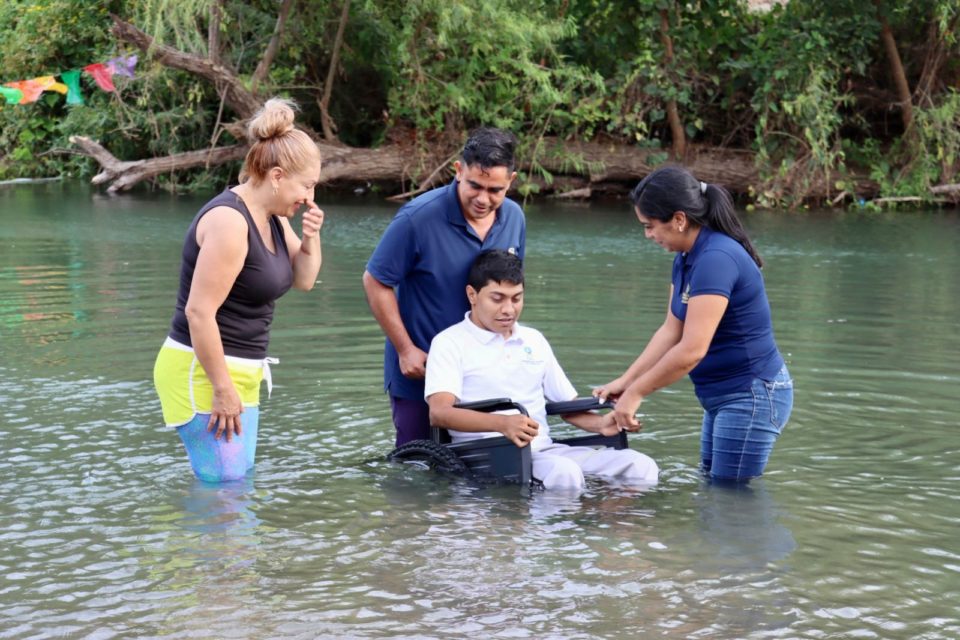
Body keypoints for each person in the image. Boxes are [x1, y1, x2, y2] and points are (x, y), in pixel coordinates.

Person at [153, 98, 325, 482]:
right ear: (277, 176)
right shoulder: (230, 222)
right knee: (225, 496)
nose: (310, 197)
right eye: (307, 186)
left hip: (240, 372)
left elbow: (305, 280)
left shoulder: (275, 218)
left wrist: (311, 239)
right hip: (202, 370)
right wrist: (222, 388)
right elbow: (198, 312)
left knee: (235, 489)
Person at [593, 165, 793, 482]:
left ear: (679, 219)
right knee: (713, 487)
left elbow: (692, 349)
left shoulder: (716, 258)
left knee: (730, 498)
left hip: (750, 394)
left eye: (649, 226)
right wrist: (627, 381)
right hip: (723, 395)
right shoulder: (686, 257)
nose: (648, 235)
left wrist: (637, 394)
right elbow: (671, 331)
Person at [425, 250, 659, 492]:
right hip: (488, 456)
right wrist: (502, 424)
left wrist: (601, 424)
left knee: (640, 466)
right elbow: (440, 413)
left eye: (516, 299)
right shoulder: (449, 343)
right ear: (472, 295)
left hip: (545, 451)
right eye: (498, 299)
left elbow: (568, 406)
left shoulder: (533, 340)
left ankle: (611, 525)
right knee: (564, 473)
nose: (509, 309)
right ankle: (563, 525)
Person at [363, 128, 526, 447]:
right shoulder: (417, 218)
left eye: (495, 190)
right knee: (419, 470)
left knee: (486, 476)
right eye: (474, 186)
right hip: (420, 373)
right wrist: (405, 349)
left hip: (484, 376)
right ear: (458, 171)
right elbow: (375, 280)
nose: (483, 199)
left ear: (511, 181)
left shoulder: (515, 219)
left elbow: (510, 289)